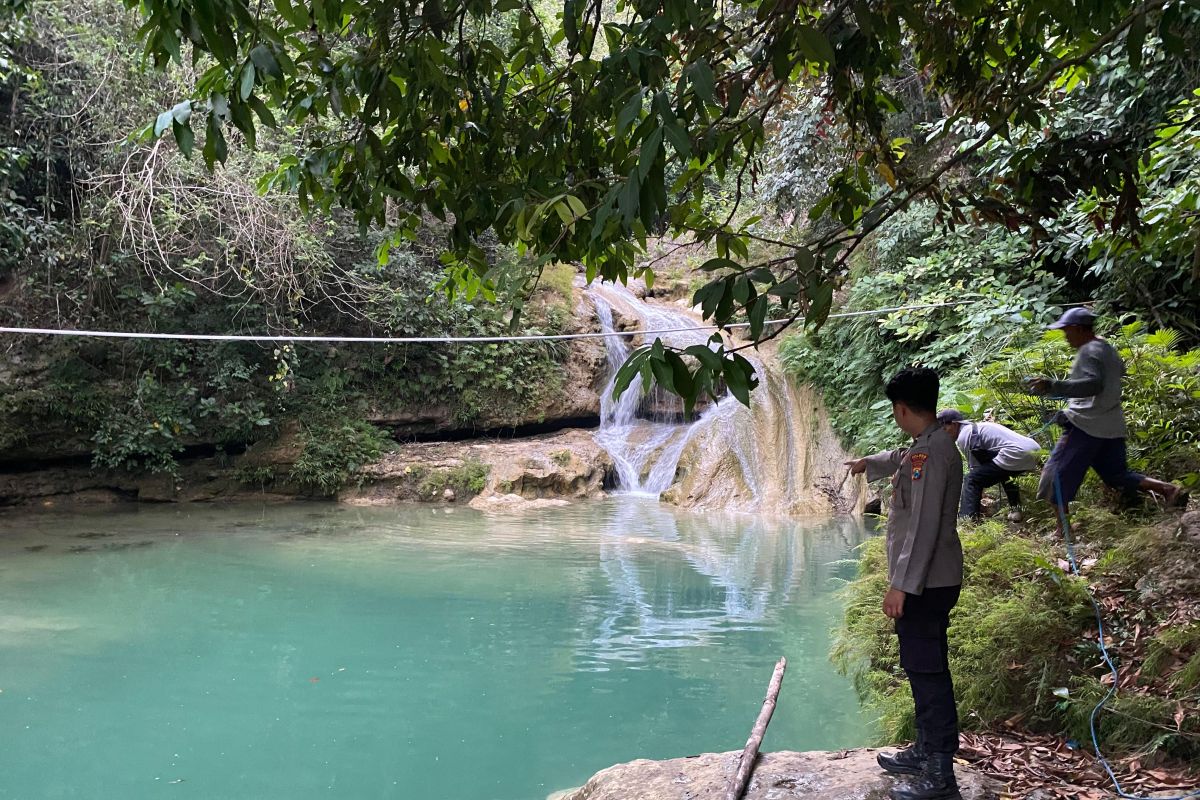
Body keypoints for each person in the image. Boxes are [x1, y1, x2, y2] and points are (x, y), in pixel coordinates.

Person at [846, 367, 964, 800]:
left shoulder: (931, 455)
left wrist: (901, 585)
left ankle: (940, 776)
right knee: (920, 667)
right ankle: (925, 750)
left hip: (926, 583)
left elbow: (924, 527)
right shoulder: (928, 444)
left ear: (900, 408)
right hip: (929, 580)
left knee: (928, 672)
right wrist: (867, 463)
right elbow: (899, 458)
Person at [1028, 307, 1188, 533]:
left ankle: (1063, 531)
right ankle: (1168, 490)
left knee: (1054, 476)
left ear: (1077, 329)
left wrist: (1053, 385)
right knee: (1116, 475)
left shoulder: (1088, 350)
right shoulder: (1106, 349)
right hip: (1111, 425)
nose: (1065, 337)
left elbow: (1094, 384)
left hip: (1085, 427)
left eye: (1066, 331)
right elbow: (1113, 377)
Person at [935, 409, 1040, 522]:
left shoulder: (964, 436)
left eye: (944, 429)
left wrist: (976, 495)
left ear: (955, 424)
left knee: (971, 479)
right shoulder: (979, 427)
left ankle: (967, 519)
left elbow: (976, 472)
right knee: (1006, 475)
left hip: (1015, 453)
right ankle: (1016, 511)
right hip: (1035, 450)